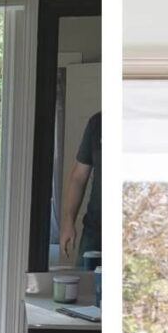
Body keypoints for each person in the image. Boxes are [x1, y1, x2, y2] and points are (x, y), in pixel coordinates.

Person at [59, 111, 101, 266]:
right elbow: (78, 177)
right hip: (95, 231)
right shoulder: (97, 123)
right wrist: (68, 220)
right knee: (85, 287)